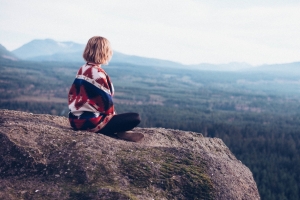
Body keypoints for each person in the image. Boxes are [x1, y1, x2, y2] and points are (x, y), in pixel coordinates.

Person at [68, 36, 144, 142]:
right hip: (91, 122)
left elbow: (72, 95)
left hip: (74, 119)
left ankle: (120, 131)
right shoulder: (98, 74)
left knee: (120, 119)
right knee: (135, 118)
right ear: (105, 52)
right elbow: (107, 105)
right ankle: (119, 132)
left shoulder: (83, 68)